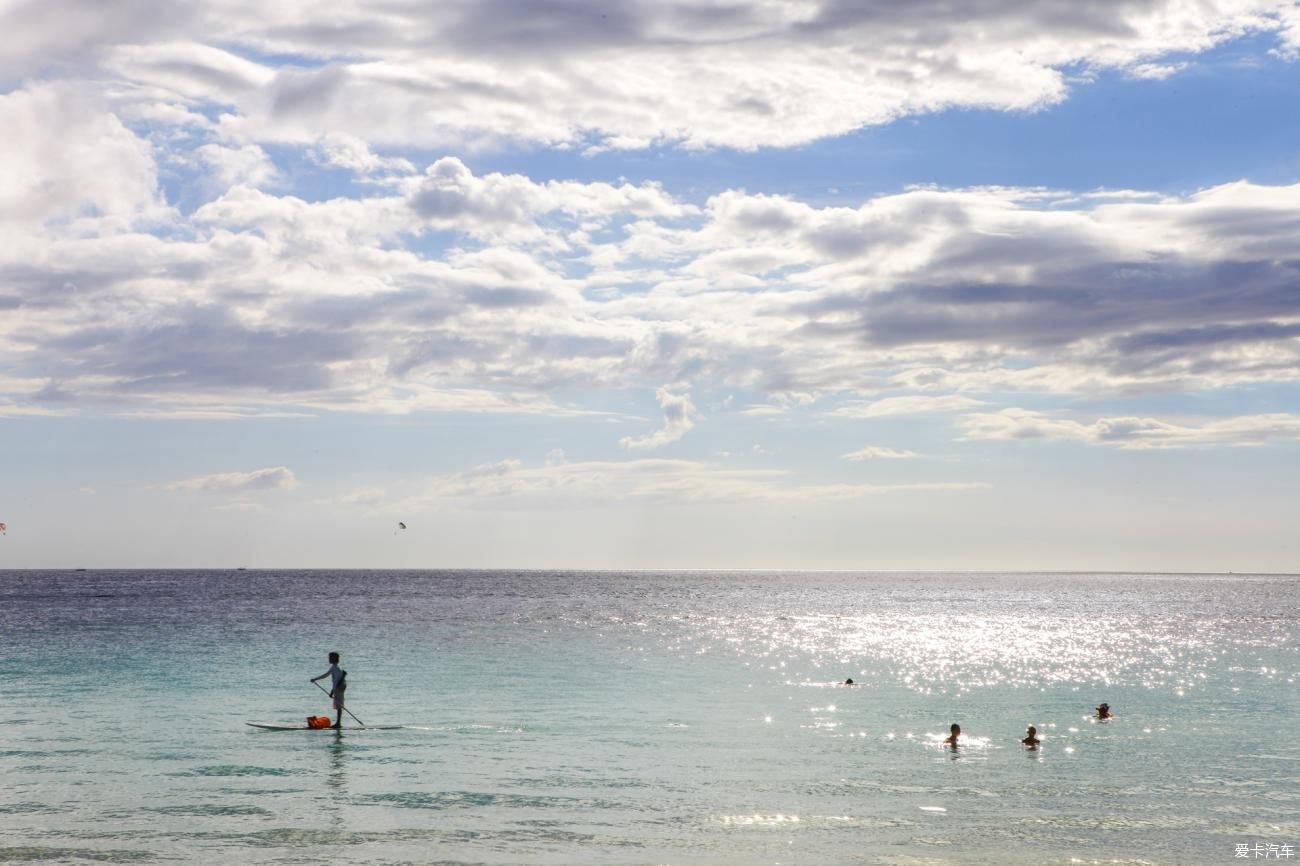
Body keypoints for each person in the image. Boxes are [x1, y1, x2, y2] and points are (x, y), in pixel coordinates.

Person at [311, 651, 347, 728]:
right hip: (338, 687)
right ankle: (338, 723)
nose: (329, 659)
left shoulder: (336, 668)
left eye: (330, 658)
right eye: (329, 657)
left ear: (335, 659)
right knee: (338, 705)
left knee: (339, 705)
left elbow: (336, 681)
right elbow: (326, 675)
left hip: (339, 688)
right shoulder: (334, 667)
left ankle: (338, 724)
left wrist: (332, 691)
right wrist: (315, 679)